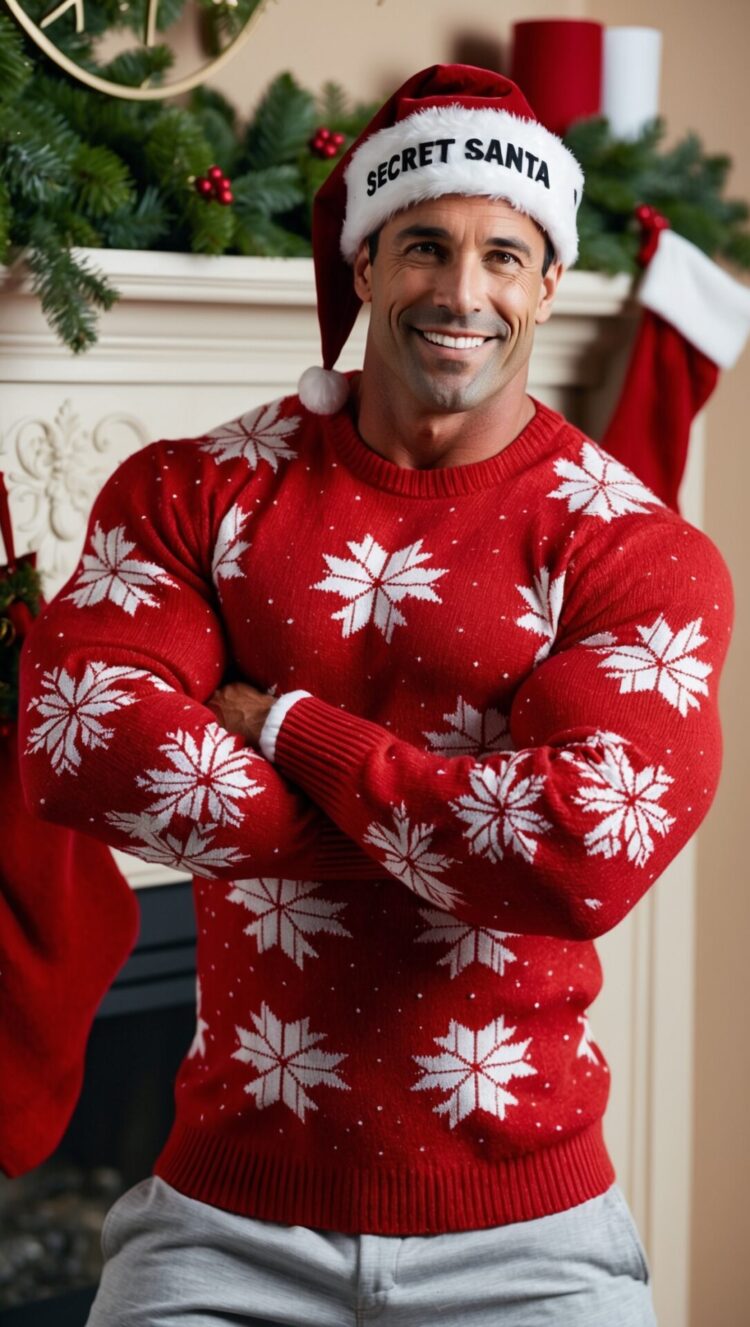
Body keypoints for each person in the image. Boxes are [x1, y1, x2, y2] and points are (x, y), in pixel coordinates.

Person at [19, 64, 732, 1326]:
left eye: (504, 255)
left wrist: (293, 731)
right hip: (225, 1220)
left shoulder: (633, 547)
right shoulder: (199, 489)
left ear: (550, 281)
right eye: (424, 247)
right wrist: (459, 825)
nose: (463, 291)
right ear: (363, 266)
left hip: (531, 1236)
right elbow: (81, 739)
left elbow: (575, 857)